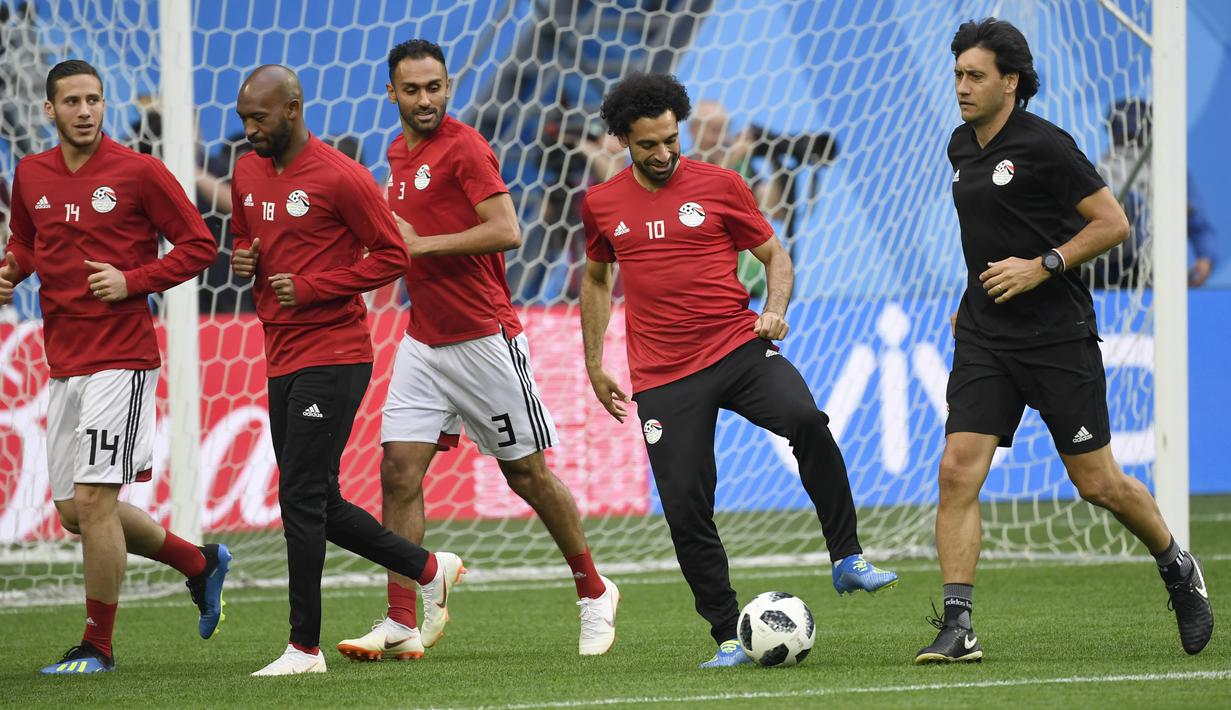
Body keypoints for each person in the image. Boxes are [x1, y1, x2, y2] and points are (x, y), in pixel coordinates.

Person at [916, 18, 1213, 665]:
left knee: (1098, 483)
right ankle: (958, 626)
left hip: (1056, 338)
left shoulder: (1047, 146)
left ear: (1010, 82)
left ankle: (1176, 565)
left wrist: (1041, 265)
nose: (961, 87)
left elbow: (1112, 223)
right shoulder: (959, 145)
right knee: (956, 469)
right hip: (985, 338)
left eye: (974, 76)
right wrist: (969, 303)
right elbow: (985, 239)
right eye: (957, 75)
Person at [578, 72, 898, 668]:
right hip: (663, 376)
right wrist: (594, 363)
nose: (665, 153)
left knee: (806, 416)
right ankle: (727, 634)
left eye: (672, 139)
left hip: (736, 345)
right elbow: (596, 279)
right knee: (685, 502)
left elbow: (775, 253)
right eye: (649, 144)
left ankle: (848, 557)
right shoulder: (601, 204)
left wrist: (774, 310)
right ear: (624, 139)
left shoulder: (722, 184)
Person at [335, 39, 619, 662]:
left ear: (449, 86)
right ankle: (401, 618)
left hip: (483, 337)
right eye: (412, 89)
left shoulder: (465, 148)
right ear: (392, 93)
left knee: (526, 475)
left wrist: (421, 246)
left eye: (434, 87)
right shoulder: (396, 154)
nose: (425, 99)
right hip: (423, 340)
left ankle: (594, 591)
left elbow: (508, 230)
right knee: (397, 473)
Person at [229, 64, 463, 676]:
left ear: (293, 108)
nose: (249, 130)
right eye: (243, 119)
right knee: (316, 501)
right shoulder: (246, 171)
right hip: (278, 350)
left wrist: (314, 287)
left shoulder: (341, 176)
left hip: (335, 353)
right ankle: (430, 568)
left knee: (301, 499)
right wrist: (244, 258)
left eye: (259, 118)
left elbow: (392, 255)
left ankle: (303, 648)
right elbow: (247, 241)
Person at [0, 60, 230, 675]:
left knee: (97, 503)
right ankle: (198, 563)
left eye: (94, 100)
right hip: (65, 362)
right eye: (71, 101)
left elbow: (200, 245)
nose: (84, 111)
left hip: (122, 359)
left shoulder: (138, 171)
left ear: (105, 105)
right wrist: (11, 269)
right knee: (75, 512)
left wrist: (135, 280)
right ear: (49, 110)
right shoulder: (30, 174)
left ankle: (96, 647)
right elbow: (26, 241)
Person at [1092, 98, 1218, 288]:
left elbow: (1197, 220)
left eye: (1133, 132)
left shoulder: (1170, 171)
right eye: (1123, 132)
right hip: (1107, 269)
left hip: (1158, 268)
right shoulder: (1099, 170)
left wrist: (1206, 257)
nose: (1128, 139)